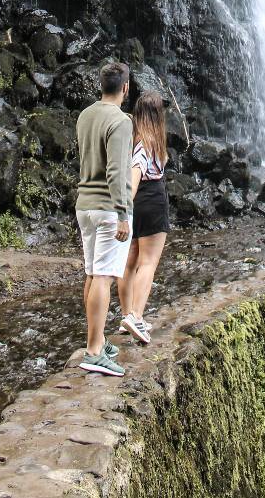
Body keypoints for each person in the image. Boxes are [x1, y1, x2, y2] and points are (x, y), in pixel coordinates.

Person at [75, 59, 133, 376]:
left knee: (92, 273)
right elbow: (115, 171)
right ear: (125, 88)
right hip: (109, 208)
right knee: (103, 277)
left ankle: (94, 340)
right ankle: (95, 352)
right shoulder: (121, 121)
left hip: (84, 205)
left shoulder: (85, 115)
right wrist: (123, 214)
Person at [118, 91, 170, 345]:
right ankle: (136, 316)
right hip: (151, 201)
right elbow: (134, 178)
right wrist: (123, 213)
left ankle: (127, 314)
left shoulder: (137, 139)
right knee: (147, 262)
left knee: (130, 260)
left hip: (140, 204)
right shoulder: (147, 144)